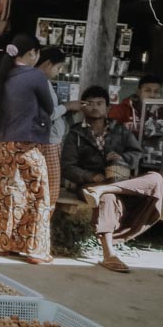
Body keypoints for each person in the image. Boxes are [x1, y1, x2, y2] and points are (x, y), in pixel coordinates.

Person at [61, 85, 162, 273]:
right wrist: (89, 176)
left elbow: (136, 153)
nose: (94, 107)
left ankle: (105, 189)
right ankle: (109, 253)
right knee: (106, 198)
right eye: (89, 103)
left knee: (156, 179)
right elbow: (67, 166)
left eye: (99, 103)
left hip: (119, 181)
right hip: (90, 184)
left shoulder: (120, 130)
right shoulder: (75, 133)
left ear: (108, 108)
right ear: (83, 107)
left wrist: (122, 159)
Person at [0, 35, 54, 264]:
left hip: (2, 144)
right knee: (38, 194)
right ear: (32, 53)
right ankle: (34, 250)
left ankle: (3, 244)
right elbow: (49, 107)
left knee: (3, 195)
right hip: (26, 144)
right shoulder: (35, 76)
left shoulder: (4, 75)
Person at [36, 47, 80, 211]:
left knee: (47, 188)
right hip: (48, 141)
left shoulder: (43, 81)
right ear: (48, 64)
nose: (58, 72)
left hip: (51, 139)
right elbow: (47, 114)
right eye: (58, 67)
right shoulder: (40, 82)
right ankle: (42, 224)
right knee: (50, 189)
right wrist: (68, 106)